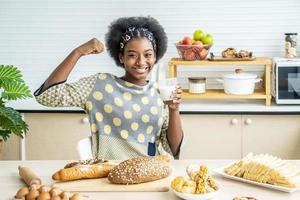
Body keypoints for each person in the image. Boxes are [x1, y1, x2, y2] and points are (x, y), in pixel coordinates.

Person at [34, 16, 183, 160]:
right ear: (121, 57)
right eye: (132, 55)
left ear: (155, 57)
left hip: (150, 174)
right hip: (109, 176)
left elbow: (173, 149)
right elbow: (47, 95)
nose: (141, 62)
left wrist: (174, 110)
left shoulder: (160, 93)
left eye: (147, 55)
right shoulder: (100, 85)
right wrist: (77, 52)